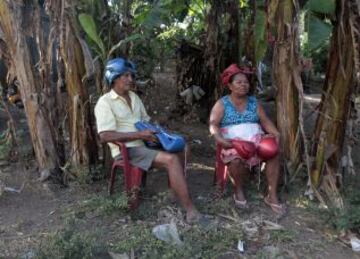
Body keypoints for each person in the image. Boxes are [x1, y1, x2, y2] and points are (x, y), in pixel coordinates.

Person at [95, 58, 201, 223]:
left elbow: (145, 120)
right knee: (171, 160)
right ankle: (190, 209)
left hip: (145, 143)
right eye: (126, 76)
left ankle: (174, 192)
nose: (131, 79)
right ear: (114, 78)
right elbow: (105, 136)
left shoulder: (134, 97)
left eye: (131, 75)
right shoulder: (105, 102)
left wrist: (159, 132)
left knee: (182, 148)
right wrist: (139, 135)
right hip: (127, 150)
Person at [209, 63, 286, 216]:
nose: (244, 85)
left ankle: (272, 195)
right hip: (233, 142)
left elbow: (264, 121)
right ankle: (238, 190)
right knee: (236, 161)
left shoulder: (253, 102)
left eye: (246, 82)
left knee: (273, 153)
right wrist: (220, 139)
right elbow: (213, 124)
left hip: (255, 139)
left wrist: (275, 133)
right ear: (230, 86)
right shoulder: (222, 103)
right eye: (239, 82)